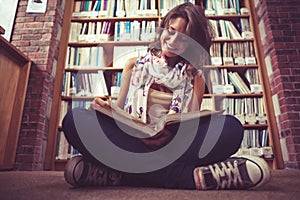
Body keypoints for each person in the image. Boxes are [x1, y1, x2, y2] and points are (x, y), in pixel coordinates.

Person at [62, 2, 271, 190]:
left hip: (171, 147)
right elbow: (120, 110)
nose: (172, 41)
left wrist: (172, 136)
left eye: (183, 38)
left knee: (231, 128)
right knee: (75, 119)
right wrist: (106, 110)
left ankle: (119, 174)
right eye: (170, 31)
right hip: (131, 141)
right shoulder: (133, 65)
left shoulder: (195, 77)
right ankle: (189, 178)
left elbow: (190, 122)